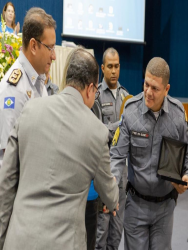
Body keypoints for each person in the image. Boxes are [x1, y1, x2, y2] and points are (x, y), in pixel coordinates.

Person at [0, 46, 119, 250]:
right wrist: (113, 191)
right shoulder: (97, 132)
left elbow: (6, 182)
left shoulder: (30, 110)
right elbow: (111, 196)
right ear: (91, 88)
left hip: (19, 240)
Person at [110, 57, 188, 250]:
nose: (148, 92)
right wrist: (112, 185)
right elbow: (116, 156)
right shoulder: (131, 111)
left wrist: (187, 176)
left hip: (165, 209)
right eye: (146, 84)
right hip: (136, 205)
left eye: (155, 88)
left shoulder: (177, 114)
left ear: (166, 89)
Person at [0, 7, 56, 168]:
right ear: (33, 46)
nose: (54, 56)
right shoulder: (14, 90)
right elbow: (8, 164)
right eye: (50, 48)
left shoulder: (38, 81)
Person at [95, 47, 129, 250]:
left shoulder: (127, 97)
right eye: (110, 67)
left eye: (117, 66)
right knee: (101, 233)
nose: (114, 71)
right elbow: (97, 132)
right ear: (102, 68)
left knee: (116, 234)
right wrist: (120, 126)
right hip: (104, 173)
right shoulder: (96, 96)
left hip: (122, 177)